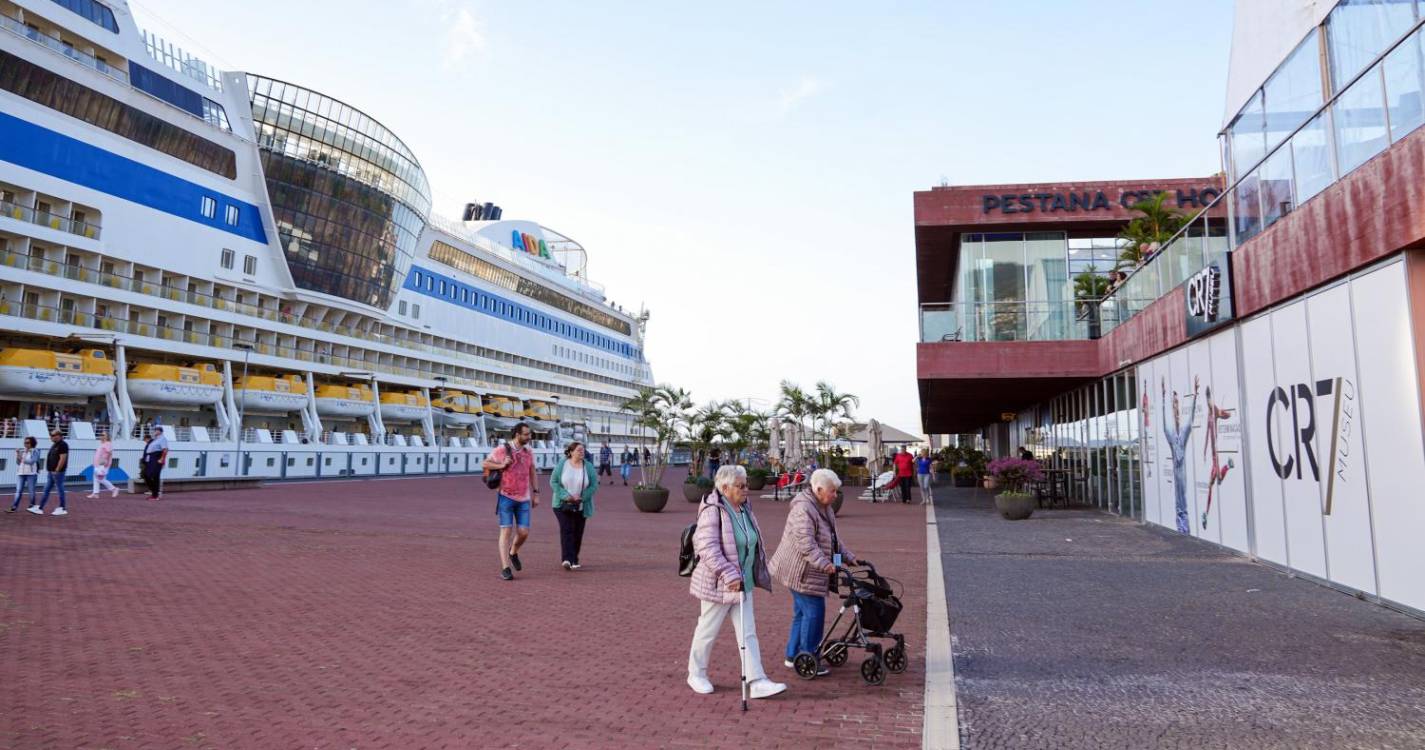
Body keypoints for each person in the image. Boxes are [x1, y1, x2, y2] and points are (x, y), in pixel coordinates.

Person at [686, 465, 786, 699]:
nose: (746, 489)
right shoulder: (712, 510)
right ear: (724, 488)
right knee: (707, 631)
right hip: (719, 583)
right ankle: (696, 673)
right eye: (741, 486)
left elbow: (751, 541)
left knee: (748, 633)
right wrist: (729, 574)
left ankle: (757, 680)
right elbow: (707, 548)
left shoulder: (744, 508)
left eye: (746, 484)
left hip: (744, 583)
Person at [769, 469, 858, 673]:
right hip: (801, 572)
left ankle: (794, 655)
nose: (835, 495)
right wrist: (825, 564)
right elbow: (806, 544)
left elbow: (832, 538)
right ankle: (809, 657)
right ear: (818, 489)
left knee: (802, 613)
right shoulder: (803, 510)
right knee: (814, 613)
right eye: (832, 491)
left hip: (807, 570)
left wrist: (849, 557)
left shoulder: (822, 506)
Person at [482, 423, 539, 581]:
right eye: (526, 434)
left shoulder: (528, 452)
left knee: (523, 532)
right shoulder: (502, 449)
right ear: (517, 434)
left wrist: (536, 492)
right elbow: (485, 463)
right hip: (506, 496)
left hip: (524, 498)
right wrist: (501, 464)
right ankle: (505, 568)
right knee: (505, 531)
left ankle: (513, 551)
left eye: (530, 434)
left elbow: (532, 471)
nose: (529, 437)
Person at [551, 441, 598, 570]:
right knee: (567, 529)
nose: (581, 452)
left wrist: (582, 497)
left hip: (581, 505)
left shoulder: (588, 466)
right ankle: (566, 559)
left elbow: (594, 485)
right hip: (562, 504)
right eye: (578, 450)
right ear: (571, 452)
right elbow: (553, 481)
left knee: (578, 532)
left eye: (583, 450)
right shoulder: (563, 464)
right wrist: (566, 496)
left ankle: (574, 558)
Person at [1162, 376, 1199, 534]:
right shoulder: (1173, 436)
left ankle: (1184, 528)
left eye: (1177, 404)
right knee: (1179, 502)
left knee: (1182, 500)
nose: (1176, 409)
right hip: (1178, 475)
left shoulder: (1182, 434)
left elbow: (1190, 421)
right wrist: (1164, 399)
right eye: (1174, 405)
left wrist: (1195, 396)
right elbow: (1165, 426)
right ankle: (1181, 527)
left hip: (1181, 474)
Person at [32, 430, 70, 516]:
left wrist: (57, 470)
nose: (51, 437)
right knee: (46, 489)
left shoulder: (63, 445)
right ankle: (40, 507)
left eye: (53, 435)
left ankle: (62, 508)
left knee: (60, 489)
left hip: (57, 472)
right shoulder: (55, 445)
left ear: (59, 436)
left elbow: (63, 458)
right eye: (51, 435)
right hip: (51, 472)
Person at [9, 437, 39, 513]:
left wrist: (21, 458)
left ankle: (32, 505)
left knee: (31, 491)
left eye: (28, 442)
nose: (26, 444)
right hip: (21, 473)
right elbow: (18, 463)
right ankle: (14, 507)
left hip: (31, 474)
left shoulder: (35, 451)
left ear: (32, 443)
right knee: (18, 490)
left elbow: (32, 461)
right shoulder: (23, 451)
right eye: (25, 442)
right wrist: (18, 454)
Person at [141, 426, 169, 501]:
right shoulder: (155, 439)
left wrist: (162, 459)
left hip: (156, 457)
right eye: (155, 430)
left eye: (156, 430)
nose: (155, 431)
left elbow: (165, 449)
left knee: (150, 475)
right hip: (151, 458)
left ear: (160, 431)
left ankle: (155, 494)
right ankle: (155, 494)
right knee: (151, 476)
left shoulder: (162, 439)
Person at [87, 432, 118, 499]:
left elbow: (109, 453)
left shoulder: (108, 443)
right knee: (96, 478)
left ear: (107, 437)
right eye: (101, 434)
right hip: (98, 464)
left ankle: (114, 489)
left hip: (102, 465)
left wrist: (105, 462)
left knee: (101, 479)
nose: (101, 436)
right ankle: (95, 493)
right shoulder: (102, 444)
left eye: (103, 435)